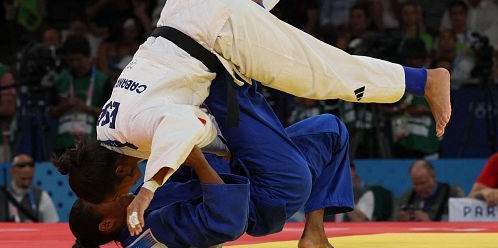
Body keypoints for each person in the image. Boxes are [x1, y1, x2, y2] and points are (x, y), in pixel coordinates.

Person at [59, 0, 452, 234]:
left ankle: (424, 81)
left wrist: (149, 189)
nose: (129, 186)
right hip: (188, 8)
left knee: (320, 73)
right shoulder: (106, 127)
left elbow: (187, 122)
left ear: (119, 171)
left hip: (218, 36)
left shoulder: (132, 136)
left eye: (125, 184)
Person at [61, 71, 353, 247]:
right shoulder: (150, 233)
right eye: (100, 199)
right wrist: (199, 160)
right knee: (226, 88)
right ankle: (248, 6)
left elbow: (184, 172)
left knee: (331, 129)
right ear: (106, 224)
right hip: (270, 192)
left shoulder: (137, 207)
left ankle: (314, 234)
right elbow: (227, 222)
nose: (114, 192)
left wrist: (184, 152)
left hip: (249, 171)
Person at [50, 35, 112, 154]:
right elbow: (51, 112)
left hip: (92, 145)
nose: (75, 64)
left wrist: (86, 108)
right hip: (64, 144)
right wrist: (62, 108)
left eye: (78, 59)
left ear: (89, 57)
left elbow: (110, 115)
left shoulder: (102, 80)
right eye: (71, 60)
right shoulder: (60, 79)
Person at [397, 160, 464, 221]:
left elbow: (460, 223)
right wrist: (402, 220)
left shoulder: (453, 193)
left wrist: (431, 223)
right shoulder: (408, 196)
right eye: (415, 184)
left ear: (433, 176)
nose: (419, 188)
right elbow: (395, 222)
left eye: (423, 183)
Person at [0, 154, 59, 222]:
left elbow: (52, 224)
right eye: (21, 165)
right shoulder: (2, 194)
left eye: (31, 165)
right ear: (12, 171)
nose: (27, 169)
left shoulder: (41, 196)